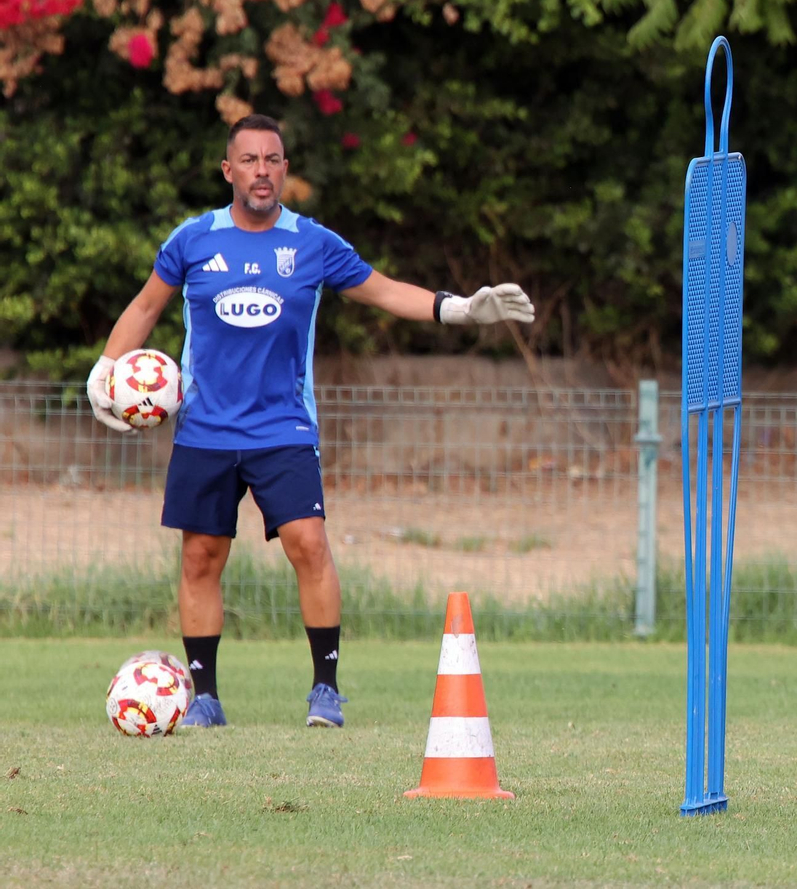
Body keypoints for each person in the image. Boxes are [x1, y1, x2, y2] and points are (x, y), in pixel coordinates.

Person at [86, 114, 534, 729]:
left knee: (310, 545)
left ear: (285, 171)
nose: (262, 170)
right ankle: (206, 699)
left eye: (273, 159)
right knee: (200, 559)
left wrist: (456, 309)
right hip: (204, 429)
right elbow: (144, 306)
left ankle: (325, 691)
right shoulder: (193, 240)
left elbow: (382, 290)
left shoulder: (314, 244)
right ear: (228, 171)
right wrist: (105, 370)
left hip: (283, 428)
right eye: (249, 160)